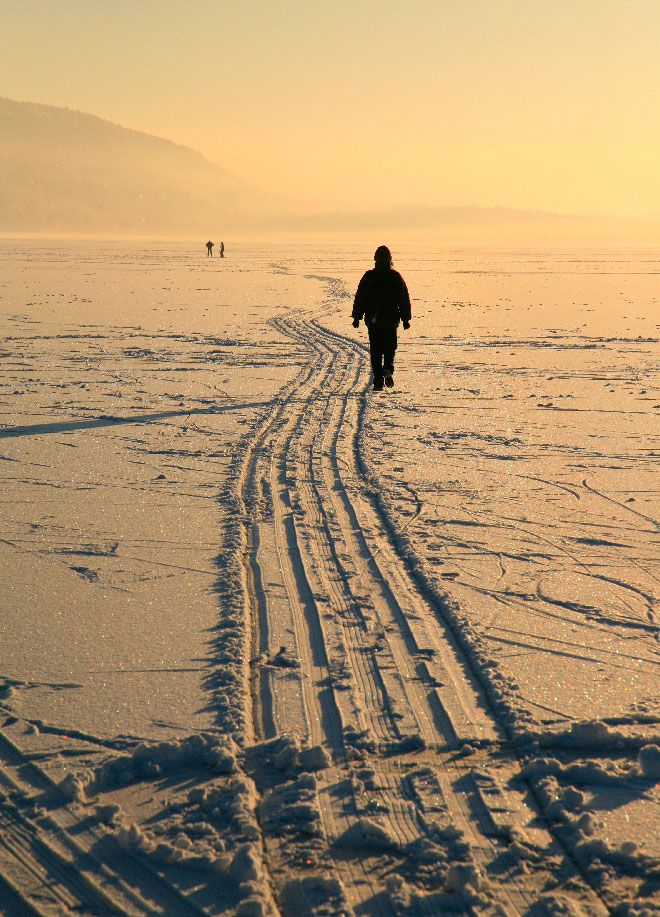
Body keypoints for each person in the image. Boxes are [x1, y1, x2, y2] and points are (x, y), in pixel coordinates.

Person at [351, 245, 411, 391]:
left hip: (374, 321)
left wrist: (357, 317)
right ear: (390, 260)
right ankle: (388, 369)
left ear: (375, 259)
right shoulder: (395, 277)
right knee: (390, 348)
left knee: (376, 350)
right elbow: (403, 298)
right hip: (390, 321)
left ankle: (378, 379)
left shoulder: (369, 277)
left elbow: (360, 298)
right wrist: (405, 319)